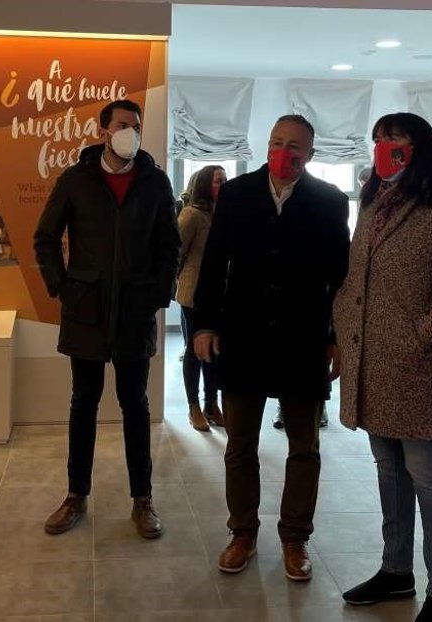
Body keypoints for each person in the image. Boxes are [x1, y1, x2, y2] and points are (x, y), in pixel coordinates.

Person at [193, 115, 350, 581]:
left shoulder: (330, 201)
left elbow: (339, 276)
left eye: (295, 145)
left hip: (304, 340)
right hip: (243, 337)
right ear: (266, 145)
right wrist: (204, 324)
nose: (285, 152)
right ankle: (241, 532)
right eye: (277, 142)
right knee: (240, 445)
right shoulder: (237, 194)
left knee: (304, 447)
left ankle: (295, 537)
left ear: (311, 153)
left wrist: (337, 336)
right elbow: (213, 262)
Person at [333, 113, 432, 622]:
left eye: (394, 138)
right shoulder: (373, 201)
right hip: (372, 360)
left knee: (428, 476)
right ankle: (396, 570)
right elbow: (358, 275)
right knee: (388, 469)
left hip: (422, 364)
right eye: (377, 139)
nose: (383, 146)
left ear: (421, 147)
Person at [34, 99, 180, 539]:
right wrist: (62, 286)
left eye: (135, 126)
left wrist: (158, 295)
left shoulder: (155, 182)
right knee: (84, 402)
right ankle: (75, 494)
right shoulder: (76, 179)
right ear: (102, 131)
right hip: (86, 311)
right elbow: (45, 237)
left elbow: (170, 246)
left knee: (135, 405)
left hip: (135, 312)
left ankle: (143, 499)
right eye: (121, 125)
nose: (129, 132)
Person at [177, 165, 227, 432]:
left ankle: (211, 404)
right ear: (206, 184)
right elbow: (177, 252)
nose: (224, 185)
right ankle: (193, 406)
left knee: (214, 351)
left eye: (226, 180)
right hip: (193, 293)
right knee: (193, 351)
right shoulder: (191, 215)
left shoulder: (224, 214)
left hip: (219, 295)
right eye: (219, 181)